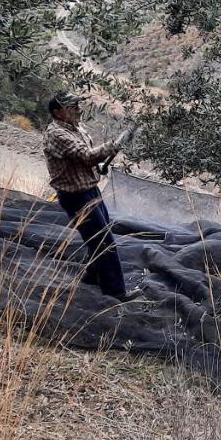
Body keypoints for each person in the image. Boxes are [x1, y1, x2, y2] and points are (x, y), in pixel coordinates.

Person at [43, 91, 140, 301]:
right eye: (73, 106)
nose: (79, 109)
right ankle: (116, 292)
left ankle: (93, 275)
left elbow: (83, 159)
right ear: (58, 112)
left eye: (78, 104)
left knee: (97, 236)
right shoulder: (57, 135)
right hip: (76, 196)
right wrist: (113, 145)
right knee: (104, 242)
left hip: (89, 190)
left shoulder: (75, 128)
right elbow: (86, 156)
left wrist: (98, 166)